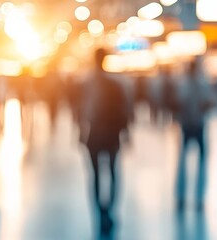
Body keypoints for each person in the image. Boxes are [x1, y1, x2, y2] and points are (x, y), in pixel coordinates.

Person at [81, 48, 131, 238]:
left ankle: (100, 211)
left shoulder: (88, 83)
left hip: (95, 134)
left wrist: (80, 131)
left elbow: (82, 110)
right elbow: (124, 109)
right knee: (111, 172)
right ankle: (109, 209)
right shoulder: (114, 84)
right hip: (111, 134)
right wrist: (125, 132)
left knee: (95, 174)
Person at [174, 60, 215, 212]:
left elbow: (178, 103)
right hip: (195, 125)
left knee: (186, 162)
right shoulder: (198, 84)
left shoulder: (185, 85)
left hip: (192, 125)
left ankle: (186, 197)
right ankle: (193, 197)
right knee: (192, 162)